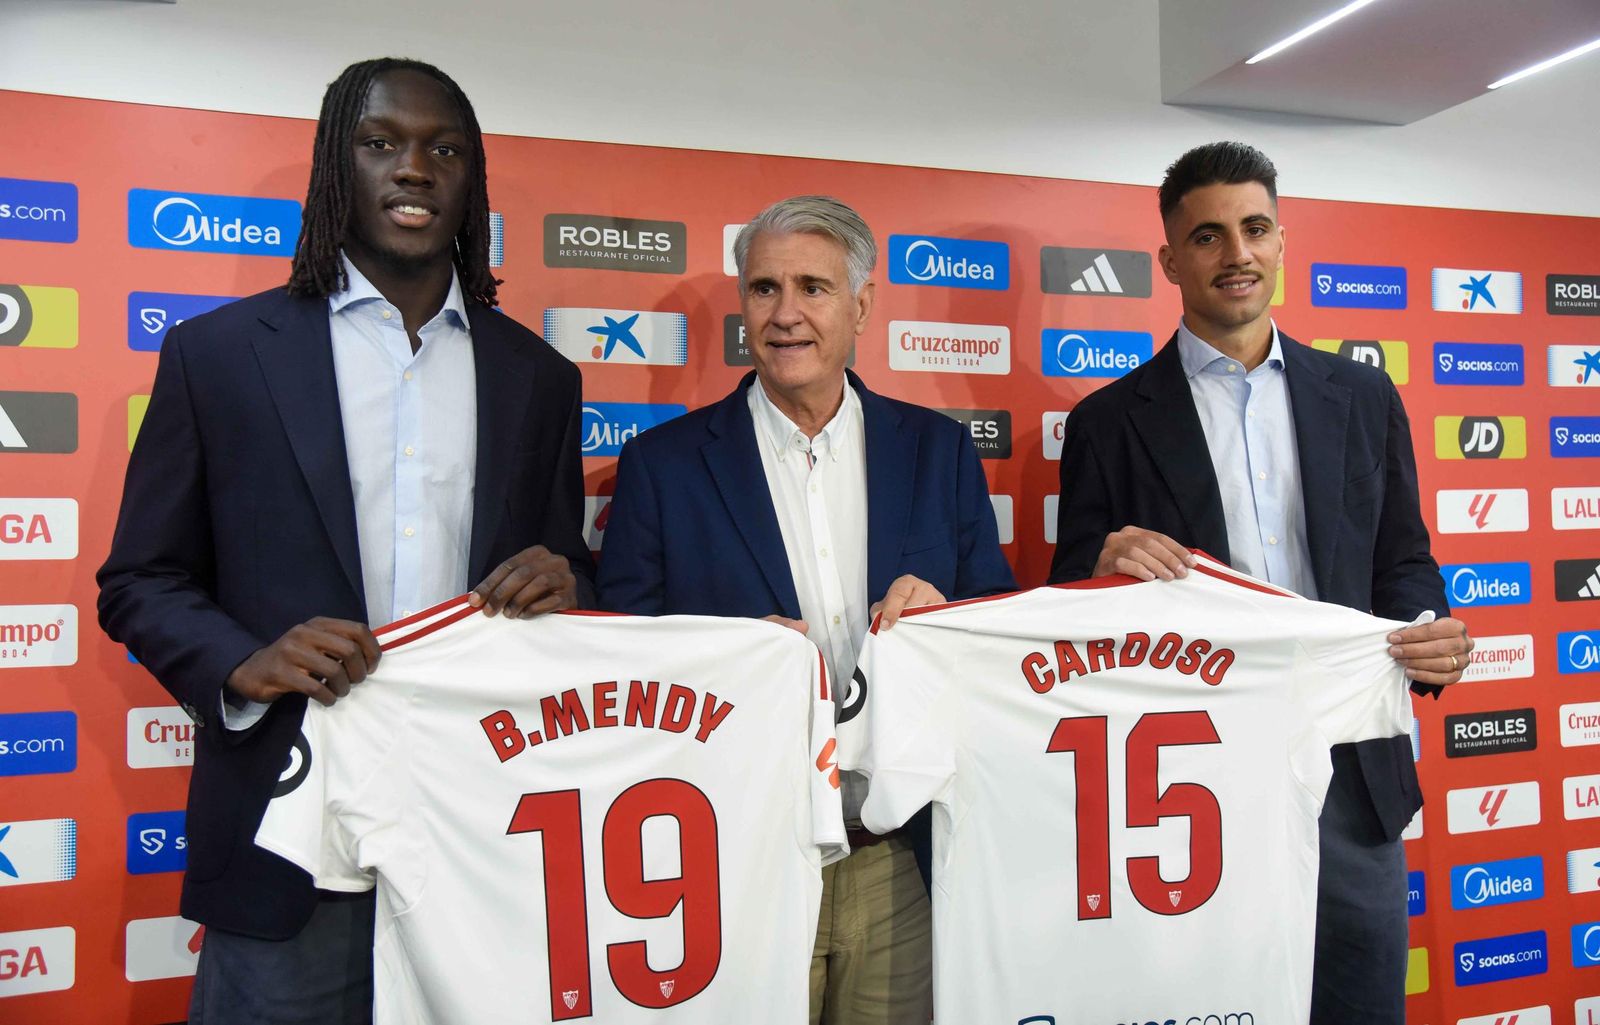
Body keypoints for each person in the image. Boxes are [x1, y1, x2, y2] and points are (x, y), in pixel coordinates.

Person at [97, 57, 593, 1024]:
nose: (414, 169)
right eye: (381, 145)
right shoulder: (220, 356)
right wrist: (244, 660)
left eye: (443, 149)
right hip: (287, 835)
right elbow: (139, 579)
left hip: (487, 831)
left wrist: (570, 576)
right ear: (336, 167)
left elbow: (560, 565)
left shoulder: (540, 376)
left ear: (472, 181)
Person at [1048, 141, 1472, 1025]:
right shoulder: (1107, 424)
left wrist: (1428, 630)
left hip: (1353, 777)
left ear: (1282, 242)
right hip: (1188, 791)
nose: (1235, 253)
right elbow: (1065, 608)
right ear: (1169, 260)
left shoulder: (1363, 396)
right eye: (1207, 236)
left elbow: (1401, 558)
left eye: (1253, 229)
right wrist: (1100, 572)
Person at [597, 195, 1016, 1024]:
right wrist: (726, 660)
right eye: (763, 289)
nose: (785, 314)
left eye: (813, 288)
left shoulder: (938, 451)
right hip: (734, 868)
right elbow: (623, 669)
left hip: (903, 862)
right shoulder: (661, 467)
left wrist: (946, 618)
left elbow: (998, 634)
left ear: (861, 305)